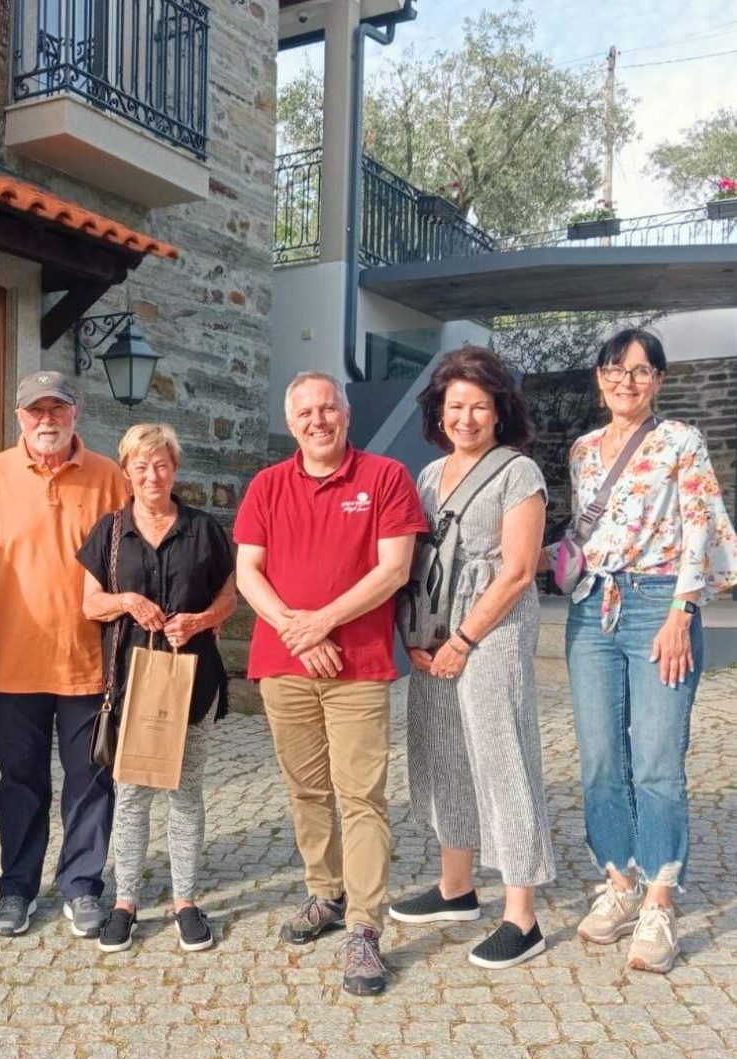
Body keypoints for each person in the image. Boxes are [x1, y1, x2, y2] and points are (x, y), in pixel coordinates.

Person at [234, 371, 427, 996]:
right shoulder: (267, 485)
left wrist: (322, 623)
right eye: (306, 412)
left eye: (328, 408)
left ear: (345, 413)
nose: (318, 420)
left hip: (359, 667)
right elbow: (248, 574)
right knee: (306, 791)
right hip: (283, 665)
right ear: (291, 423)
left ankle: (365, 929)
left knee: (361, 796)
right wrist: (297, 630)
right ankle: (326, 894)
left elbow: (394, 569)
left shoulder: (385, 478)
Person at [562, 328, 737, 973]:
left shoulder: (679, 440)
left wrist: (681, 612)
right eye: (615, 369)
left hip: (660, 603)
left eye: (641, 370)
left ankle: (660, 898)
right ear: (600, 377)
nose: (626, 380)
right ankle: (619, 881)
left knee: (658, 761)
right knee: (602, 758)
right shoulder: (582, 451)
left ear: (658, 380)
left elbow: (701, 525)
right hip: (591, 608)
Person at [389, 346, 556, 970]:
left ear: (499, 411)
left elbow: (515, 573)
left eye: (479, 405)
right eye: (455, 405)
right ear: (439, 412)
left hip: (490, 636)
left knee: (501, 758)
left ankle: (522, 914)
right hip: (433, 636)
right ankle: (456, 887)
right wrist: (415, 636)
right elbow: (412, 564)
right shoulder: (428, 478)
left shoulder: (518, 474)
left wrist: (463, 641)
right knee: (444, 755)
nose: (466, 417)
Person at [0, 370, 126, 938]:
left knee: (91, 778)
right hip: (11, 661)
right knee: (19, 780)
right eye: (35, 410)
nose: (46, 420)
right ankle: (16, 888)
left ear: (76, 414)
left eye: (58, 409)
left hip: (89, 660)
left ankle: (82, 885)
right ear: (18, 416)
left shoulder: (111, 478)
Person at [77, 424, 236, 953]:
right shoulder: (109, 531)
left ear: (175, 468)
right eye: (141, 466)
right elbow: (90, 604)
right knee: (132, 795)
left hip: (191, 680)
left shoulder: (203, 529)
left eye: (161, 464)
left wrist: (200, 619)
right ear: (126, 472)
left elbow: (229, 599)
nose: (152, 475)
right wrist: (127, 602)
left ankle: (186, 902)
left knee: (186, 792)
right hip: (130, 682)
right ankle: (125, 903)